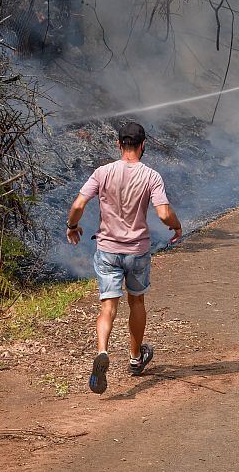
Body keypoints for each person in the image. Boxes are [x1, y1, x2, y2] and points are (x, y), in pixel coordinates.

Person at [66, 122, 182, 394]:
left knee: (108, 306)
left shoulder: (102, 172)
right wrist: (176, 226)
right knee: (137, 301)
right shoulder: (151, 176)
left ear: (118, 145)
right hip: (137, 251)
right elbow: (163, 213)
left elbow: (78, 205)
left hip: (107, 249)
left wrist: (72, 227)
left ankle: (103, 351)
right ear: (143, 146)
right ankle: (135, 358)